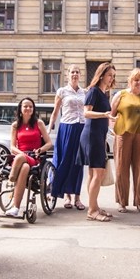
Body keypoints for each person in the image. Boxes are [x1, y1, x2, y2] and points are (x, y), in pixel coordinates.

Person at [110, 68, 140, 213]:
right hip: (123, 134)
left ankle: (139, 202)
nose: (139, 82)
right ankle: (122, 202)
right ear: (130, 80)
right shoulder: (121, 95)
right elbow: (112, 114)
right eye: (136, 80)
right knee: (121, 168)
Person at [77, 62, 117, 222]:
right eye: (109, 75)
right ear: (101, 75)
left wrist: (108, 126)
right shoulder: (93, 91)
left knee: (94, 173)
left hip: (98, 135)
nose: (111, 79)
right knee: (98, 173)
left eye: (113, 76)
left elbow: (104, 115)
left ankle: (94, 206)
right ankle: (92, 211)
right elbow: (86, 113)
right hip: (91, 136)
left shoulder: (104, 92)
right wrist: (105, 115)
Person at [5, 97, 53, 218]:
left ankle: (12, 179)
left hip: (34, 157)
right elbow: (12, 147)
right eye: (25, 106)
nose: (28, 108)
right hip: (19, 159)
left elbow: (49, 143)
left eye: (30, 106)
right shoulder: (15, 125)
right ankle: (15, 208)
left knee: (24, 160)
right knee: (25, 167)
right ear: (20, 109)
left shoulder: (39, 123)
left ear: (33, 109)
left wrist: (40, 150)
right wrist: (21, 154)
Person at [47, 65, 87, 210]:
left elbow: (88, 112)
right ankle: (67, 197)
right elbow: (55, 111)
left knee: (78, 163)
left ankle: (77, 197)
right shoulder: (62, 91)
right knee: (65, 161)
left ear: (80, 75)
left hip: (81, 128)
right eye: (72, 72)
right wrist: (49, 128)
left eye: (77, 72)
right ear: (68, 75)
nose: (75, 74)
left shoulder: (84, 92)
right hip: (67, 127)